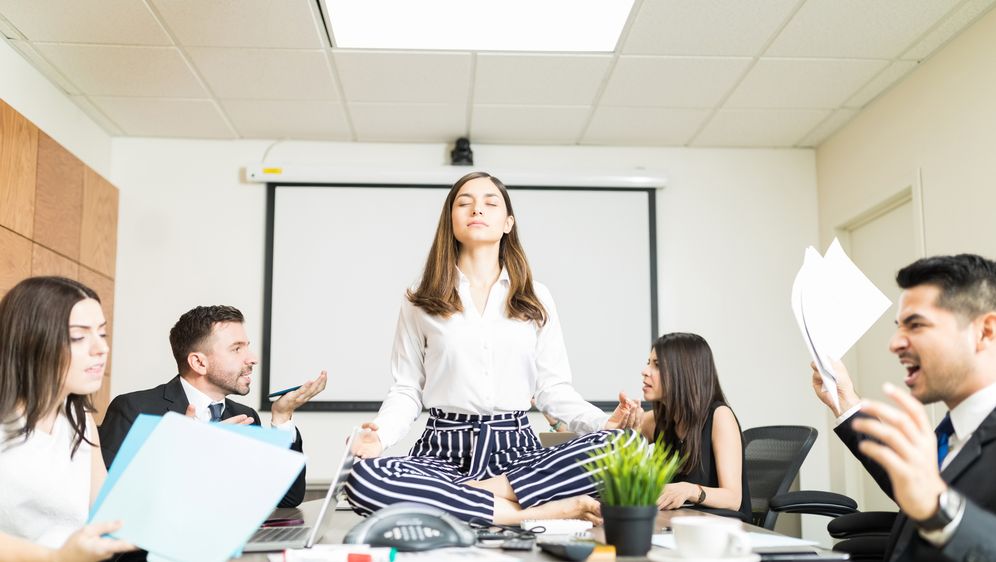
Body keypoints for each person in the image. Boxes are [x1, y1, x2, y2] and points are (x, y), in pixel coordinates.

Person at [345, 171, 643, 525]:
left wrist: (602, 423)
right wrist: (378, 437)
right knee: (362, 479)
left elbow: (551, 389)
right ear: (450, 220)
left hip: (516, 451)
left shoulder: (536, 296)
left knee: (628, 446)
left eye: (490, 203)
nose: (477, 210)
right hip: (442, 450)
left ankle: (468, 500)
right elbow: (408, 389)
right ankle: (539, 511)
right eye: (464, 202)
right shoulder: (420, 298)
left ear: (508, 223)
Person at [812, 254, 996, 561]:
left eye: (916, 325)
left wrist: (941, 510)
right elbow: (914, 488)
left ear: (985, 331)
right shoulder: (951, 432)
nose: (895, 343)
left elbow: (933, 501)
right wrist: (843, 401)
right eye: (900, 327)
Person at [98, 305, 327, 508]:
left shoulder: (245, 416)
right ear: (199, 362)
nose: (253, 358)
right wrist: (193, 453)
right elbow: (107, 502)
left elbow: (287, 500)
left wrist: (282, 417)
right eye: (236, 349)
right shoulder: (134, 410)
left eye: (247, 347)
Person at [0, 276, 134, 561]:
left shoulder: (79, 419)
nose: (101, 349)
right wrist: (57, 557)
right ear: (32, 341)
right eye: (79, 336)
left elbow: (109, 516)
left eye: (102, 333)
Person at [637, 332, 751, 521]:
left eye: (656, 365)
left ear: (683, 372)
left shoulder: (719, 416)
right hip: (678, 525)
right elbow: (611, 447)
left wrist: (689, 490)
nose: (645, 371)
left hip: (721, 531)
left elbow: (733, 499)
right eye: (648, 362)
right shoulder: (657, 420)